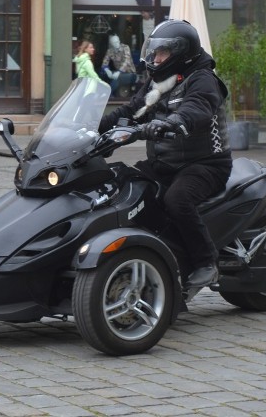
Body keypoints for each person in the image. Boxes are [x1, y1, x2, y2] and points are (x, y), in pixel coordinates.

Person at [98, 19, 232, 288]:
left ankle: (206, 262)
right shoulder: (157, 82)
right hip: (164, 163)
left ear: (181, 53)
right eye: (154, 52)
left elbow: (197, 108)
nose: (155, 58)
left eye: (162, 53)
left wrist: (172, 122)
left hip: (205, 164)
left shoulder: (203, 80)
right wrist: (92, 126)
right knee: (118, 180)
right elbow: (130, 111)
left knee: (177, 200)